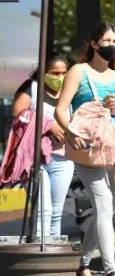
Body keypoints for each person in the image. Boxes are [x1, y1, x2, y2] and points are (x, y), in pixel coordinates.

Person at [56, 22, 115, 276]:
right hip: (88, 151)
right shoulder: (79, 71)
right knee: (103, 206)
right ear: (93, 44)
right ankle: (112, 272)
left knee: (107, 209)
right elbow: (61, 109)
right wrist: (70, 132)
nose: (111, 46)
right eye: (106, 41)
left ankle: (83, 265)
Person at [11, 54, 72, 238]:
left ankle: (53, 252)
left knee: (57, 212)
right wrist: (48, 124)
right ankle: (40, 252)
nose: (60, 78)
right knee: (42, 211)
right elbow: (18, 115)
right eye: (54, 73)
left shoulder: (70, 91)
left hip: (63, 159)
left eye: (64, 73)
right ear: (44, 73)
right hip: (36, 159)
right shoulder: (33, 88)